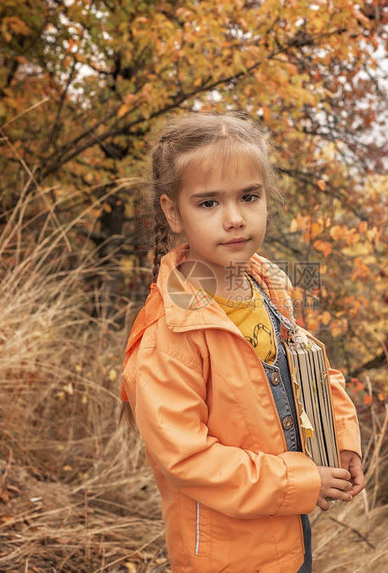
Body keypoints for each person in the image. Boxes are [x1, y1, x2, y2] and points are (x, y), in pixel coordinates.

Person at [120, 112, 364, 573]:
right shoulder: (169, 336)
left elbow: (313, 369)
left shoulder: (267, 286)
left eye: (249, 197)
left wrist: (342, 440)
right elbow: (188, 459)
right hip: (224, 550)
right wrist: (298, 481)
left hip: (289, 529)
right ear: (173, 212)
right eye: (208, 203)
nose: (234, 219)